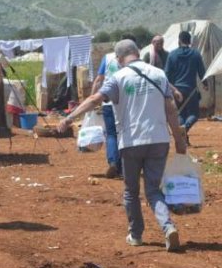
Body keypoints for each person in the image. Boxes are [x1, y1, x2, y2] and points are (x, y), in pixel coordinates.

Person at [58, 39, 188, 252]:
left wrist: (69, 117)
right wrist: (179, 141)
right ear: (137, 52)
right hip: (159, 140)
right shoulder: (159, 74)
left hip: (131, 142)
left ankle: (135, 235)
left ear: (119, 59)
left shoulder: (118, 78)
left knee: (131, 191)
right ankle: (168, 227)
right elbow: (171, 109)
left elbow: (95, 99)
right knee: (153, 190)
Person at [90, 34, 137, 178]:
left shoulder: (107, 58)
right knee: (124, 133)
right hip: (125, 103)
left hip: (108, 102)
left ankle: (112, 162)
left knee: (111, 134)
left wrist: (93, 98)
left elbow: (99, 80)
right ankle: (123, 167)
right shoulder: (134, 61)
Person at [164, 31, 208, 141]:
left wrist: (168, 89)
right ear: (190, 41)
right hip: (191, 90)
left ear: (179, 41)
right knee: (194, 114)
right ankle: (185, 129)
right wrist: (205, 84)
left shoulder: (172, 54)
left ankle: (183, 134)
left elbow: (166, 74)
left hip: (176, 90)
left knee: (180, 113)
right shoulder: (195, 54)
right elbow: (201, 71)